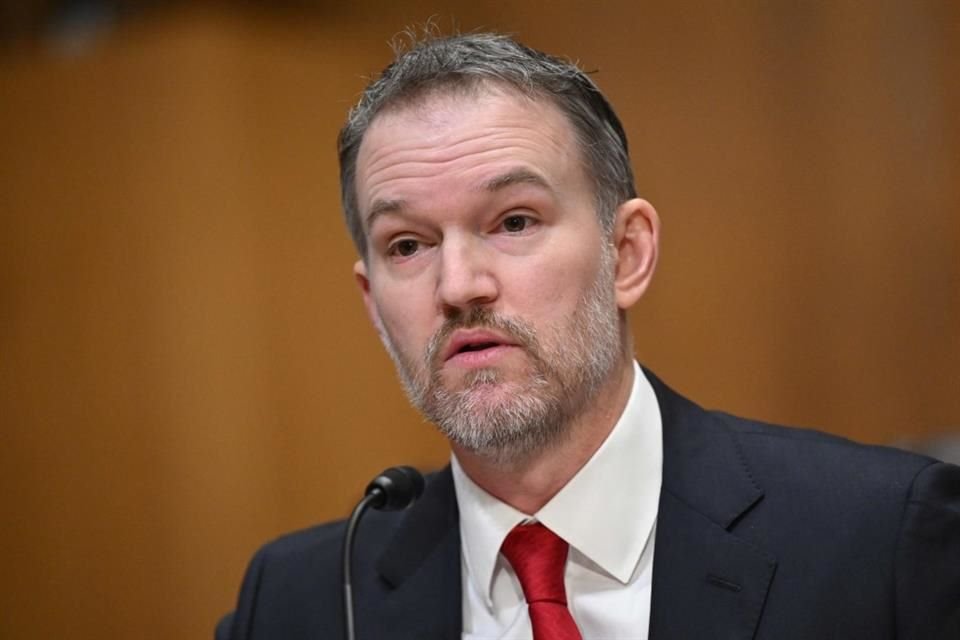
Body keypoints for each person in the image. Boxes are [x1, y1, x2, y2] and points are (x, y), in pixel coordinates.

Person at [217, 32, 960, 639]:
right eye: (407, 245)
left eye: (513, 222)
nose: (457, 286)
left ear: (626, 253)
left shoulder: (882, 539)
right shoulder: (297, 603)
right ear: (374, 304)